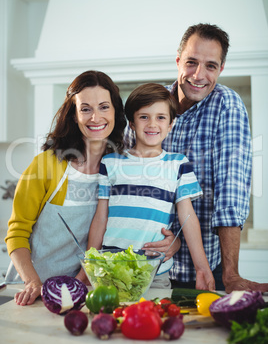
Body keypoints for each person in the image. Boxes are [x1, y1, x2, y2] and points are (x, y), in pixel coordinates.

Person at [125, 23, 268, 293]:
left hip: (201, 271)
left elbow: (231, 191)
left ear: (221, 69)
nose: (199, 75)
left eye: (211, 66)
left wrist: (231, 274)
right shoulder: (149, 107)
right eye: (191, 62)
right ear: (178, 61)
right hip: (143, 262)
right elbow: (128, 183)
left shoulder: (227, 104)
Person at [5, 70, 126, 306]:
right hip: (29, 290)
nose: (95, 117)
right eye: (85, 109)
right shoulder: (46, 164)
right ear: (73, 115)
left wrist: (80, 282)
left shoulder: (119, 168)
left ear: (115, 111)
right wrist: (33, 282)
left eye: (104, 107)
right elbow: (17, 232)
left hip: (80, 292)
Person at [87, 83, 215, 290]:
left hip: (155, 272)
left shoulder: (178, 164)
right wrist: (89, 265)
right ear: (132, 123)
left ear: (171, 124)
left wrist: (202, 268)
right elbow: (101, 217)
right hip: (110, 269)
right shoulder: (110, 163)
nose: (152, 124)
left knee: (154, 321)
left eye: (161, 117)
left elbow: (188, 217)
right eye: (144, 117)